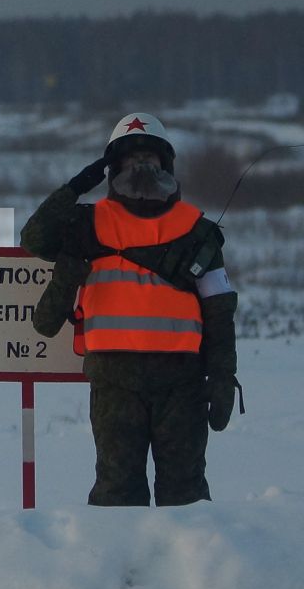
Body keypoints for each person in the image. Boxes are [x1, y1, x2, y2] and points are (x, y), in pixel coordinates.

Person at [22, 113, 238, 506]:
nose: (140, 168)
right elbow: (34, 237)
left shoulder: (197, 231)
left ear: (166, 165)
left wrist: (223, 376)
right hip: (114, 382)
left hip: (182, 384)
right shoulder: (88, 223)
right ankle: (119, 566)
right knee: (117, 495)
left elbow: (220, 313)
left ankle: (198, 568)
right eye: (129, 159)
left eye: (150, 160)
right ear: (112, 168)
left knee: (186, 495)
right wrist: (76, 186)